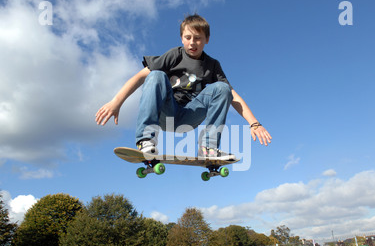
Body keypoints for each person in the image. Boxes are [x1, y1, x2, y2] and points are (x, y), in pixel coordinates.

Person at [96, 14, 272, 159]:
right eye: (188, 38)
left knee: (223, 88)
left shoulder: (212, 65)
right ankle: (146, 140)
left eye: (197, 38)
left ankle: (208, 148)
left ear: (207, 40)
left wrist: (254, 123)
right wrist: (116, 102)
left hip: (190, 116)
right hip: (167, 112)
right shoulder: (174, 55)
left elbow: (233, 96)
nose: (192, 42)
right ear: (182, 38)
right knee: (155, 74)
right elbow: (140, 77)